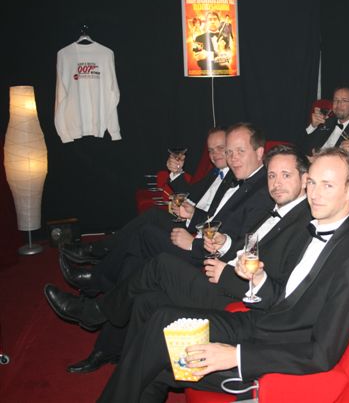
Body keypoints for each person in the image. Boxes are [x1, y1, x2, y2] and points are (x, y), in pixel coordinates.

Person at [44, 145, 313, 373]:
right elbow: (229, 230)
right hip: (215, 257)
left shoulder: (276, 202)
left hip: (223, 278)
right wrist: (216, 240)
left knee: (156, 256)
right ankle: (111, 348)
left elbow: (273, 282)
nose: (230, 157)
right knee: (138, 271)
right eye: (223, 150)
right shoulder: (252, 190)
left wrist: (202, 245)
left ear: (259, 153)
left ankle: (96, 298)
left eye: (236, 150)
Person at [59, 127, 229, 290]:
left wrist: (192, 215)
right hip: (193, 222)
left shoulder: (234, 180)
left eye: (220, 148)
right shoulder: (215, 173)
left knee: (145, 231)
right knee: (151, 217)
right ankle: (99, 259)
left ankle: (96, 261)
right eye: (211, 150)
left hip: (201, 237)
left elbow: (219, 220)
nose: (214, 154)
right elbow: (192, 194)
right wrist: (177, 172)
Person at [302, 86, 349, 155]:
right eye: (335, 100)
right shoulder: (326, 121)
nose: (338, 104)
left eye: (344, 100)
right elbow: (302, 146)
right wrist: (312, 126)